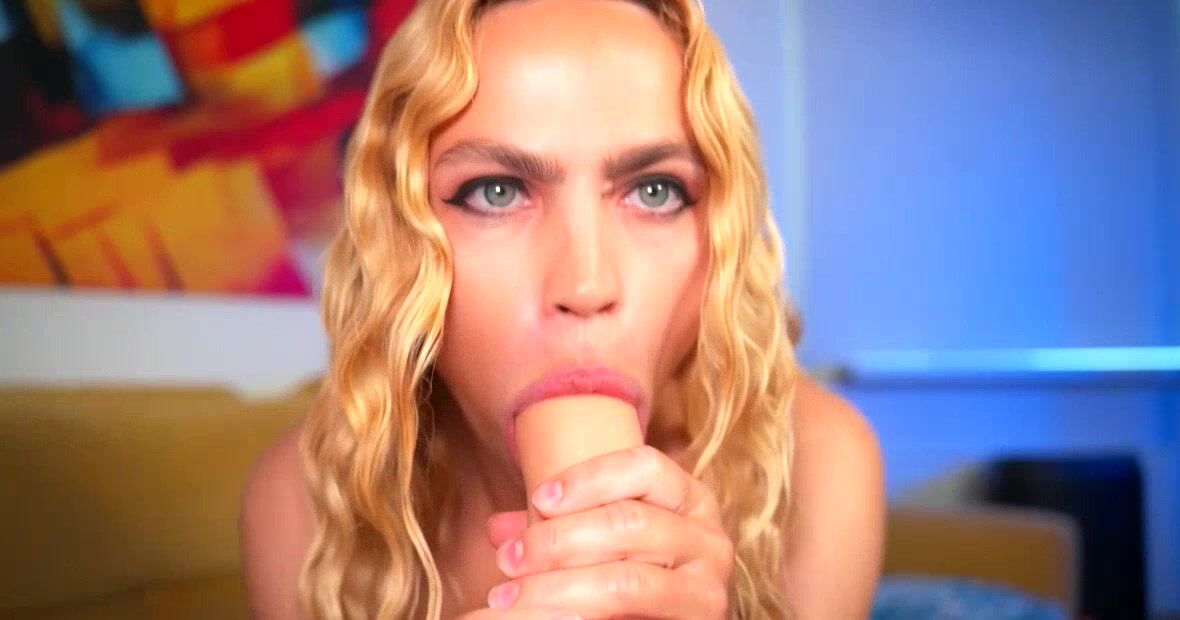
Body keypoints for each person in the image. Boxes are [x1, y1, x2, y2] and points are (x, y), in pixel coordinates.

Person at [240, 0, 884, 617]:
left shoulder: (814, 467)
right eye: (495, 192)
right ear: (400, 244)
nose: (586, 284)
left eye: (656, 191)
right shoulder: (303, 506)